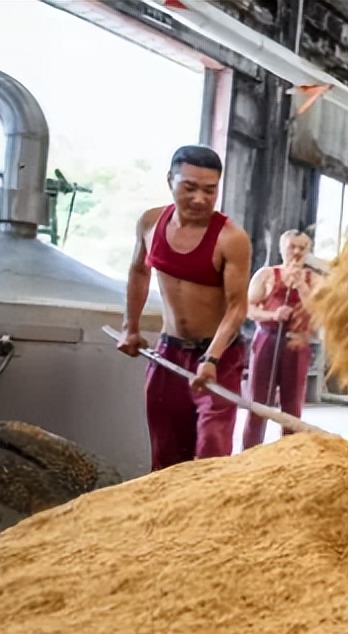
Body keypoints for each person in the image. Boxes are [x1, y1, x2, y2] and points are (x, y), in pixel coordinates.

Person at [116, 145, 251, 471]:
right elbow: (138, 271)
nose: (200, 199)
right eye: (189, 187)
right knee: (166, 454)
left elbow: (237, 307)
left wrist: (212, 358)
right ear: (170, 181)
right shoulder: (150, 223)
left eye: (210, 190)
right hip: (169, 354)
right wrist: (130, 327)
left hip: (219, 358)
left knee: (211, 453)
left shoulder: (231, 239)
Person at [242, 230, 318, 449]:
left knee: (292, 407)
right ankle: (249, 453)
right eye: (292, 246)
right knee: (258, 403)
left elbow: (318, 312)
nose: (296, 252)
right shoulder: (266, 275)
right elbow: (248, 308)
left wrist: (301, 285)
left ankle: (289, 454)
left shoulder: (315, 280)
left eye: (302, 248)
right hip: (267, 340)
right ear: (282, 248)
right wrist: (272, 315)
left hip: (296, 343)